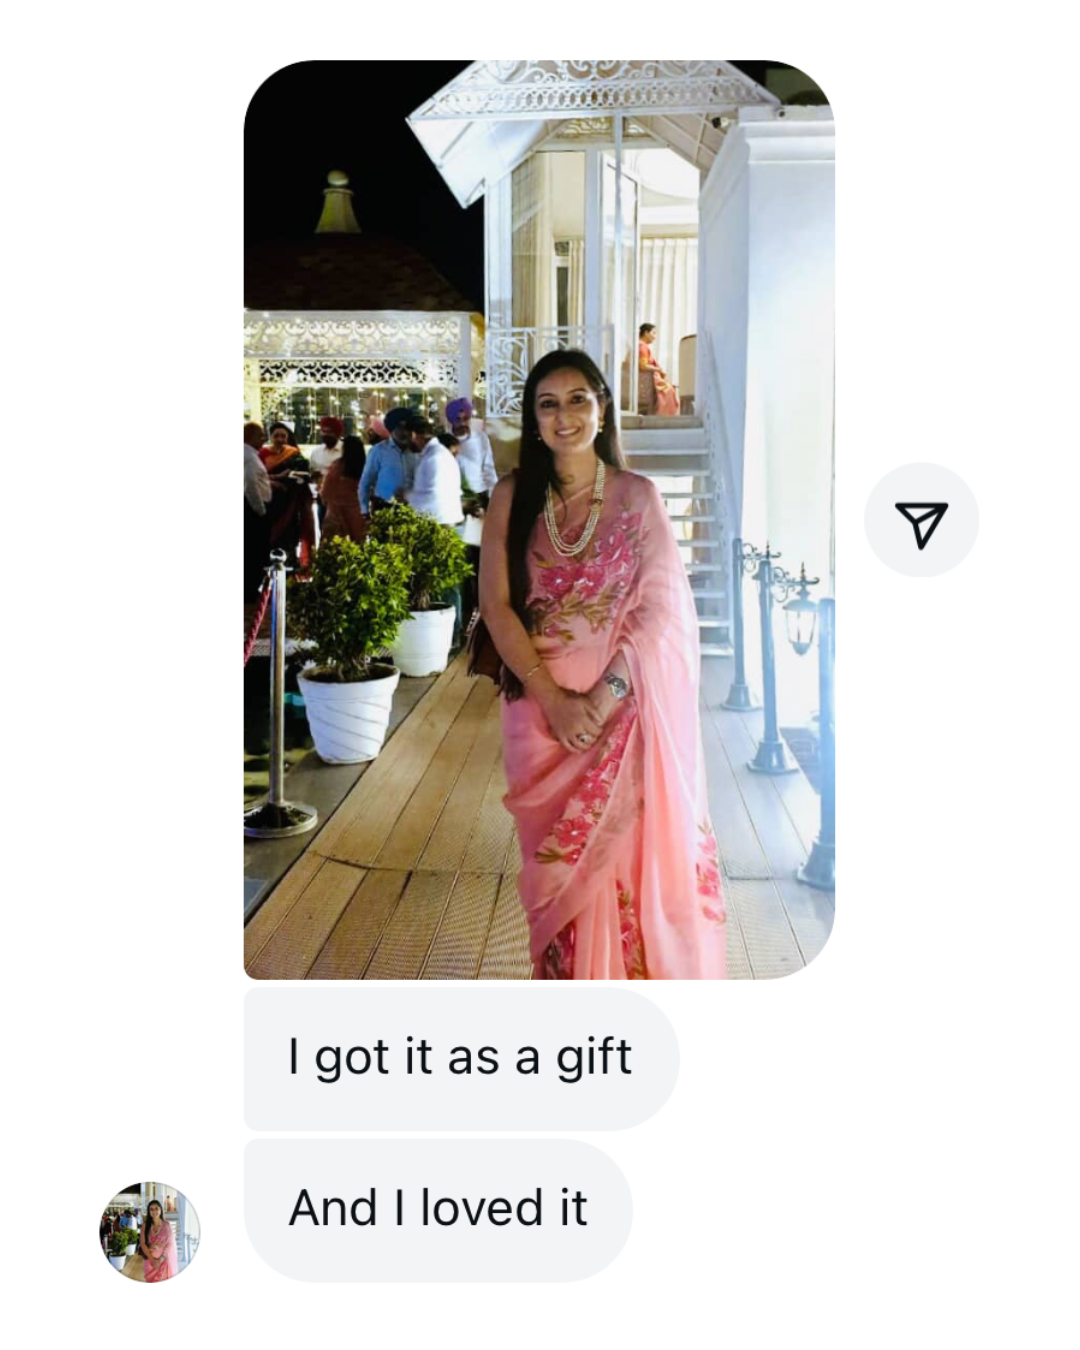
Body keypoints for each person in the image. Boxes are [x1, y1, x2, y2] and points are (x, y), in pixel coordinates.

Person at [478, 349, 726, 980]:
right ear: (533, 419)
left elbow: (663, 610)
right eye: (548, 404)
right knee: (556, 880)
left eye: (578, 400)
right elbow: (497, 608)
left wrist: (601, 698)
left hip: (622, 717)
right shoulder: (512, 496)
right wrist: (554, 701)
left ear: (602, 406)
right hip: (538, 722)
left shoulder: (637, 497)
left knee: (626, 872)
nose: (564, 417)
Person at [261, 422, 315, 568]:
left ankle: (290, 568)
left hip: (290, 504)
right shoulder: (262, 454)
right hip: (268, 503)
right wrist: (277, 477)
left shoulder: (293, 454)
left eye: (283, 436)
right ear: (270, 437)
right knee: (268, 537)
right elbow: (256, 477)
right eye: (276, 436)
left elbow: (304, 472)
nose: (280, 439)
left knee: (289, 537)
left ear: (287, 437)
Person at [359, 407, 416, 513]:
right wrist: (364, 511)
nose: (405, 433)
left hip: (413, 509)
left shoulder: (417, 452)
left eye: (408, 428)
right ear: (391, 430)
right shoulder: (378, 451)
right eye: (400, 428)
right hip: (384, 509)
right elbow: (365, 482)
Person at [446, 397, 497, 503]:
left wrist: (494, 494)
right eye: (458, 419)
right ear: (452, 420)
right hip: (454, 496)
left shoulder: (481, 437)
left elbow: (489, 467)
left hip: (480, 493)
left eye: (465, 418)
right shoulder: (443, 441)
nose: (463, 423)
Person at [319, 434, 367, 544]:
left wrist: (325, 500)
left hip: (335, 512)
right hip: (357, 512)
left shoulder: (337, 466)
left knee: (334, 546)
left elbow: (326, 490)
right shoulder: (365, 468)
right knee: (358, 544)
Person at [244, 421, 272, 600]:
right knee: (254, 550)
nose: (264, 439)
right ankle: (250, 591)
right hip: (253, 510)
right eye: (260, 435)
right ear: (251, 436)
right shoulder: (248, 456)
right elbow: (251, 485)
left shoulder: (251, 455)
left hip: (253, 508)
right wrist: (260, 510)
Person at [310, 416, 344, 530]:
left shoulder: (346, 451)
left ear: (337, 434)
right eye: (323, 431)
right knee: (324, 528)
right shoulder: (316, 452)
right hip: (323, 499)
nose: (325, 435)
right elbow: (313, 474)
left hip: (341, 499)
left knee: (342, 531)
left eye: (329, 432)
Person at [637, 323, 680, 416]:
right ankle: (664, 415)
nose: (655, 337)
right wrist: (658, 369)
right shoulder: (642, 347)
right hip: (647, 381)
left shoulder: (640, 346)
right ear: (646, 333)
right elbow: (643, 366)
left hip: (648, 379)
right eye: (653, 333)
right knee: (669, 390)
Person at [139, 1199, 178, 1283]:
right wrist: (152, 1259)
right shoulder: (145, 1225)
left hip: (164, 1261)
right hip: (149, 1262)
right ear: (149, 1211)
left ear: (160, 1210)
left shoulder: (166, 1225)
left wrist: (161, 1260)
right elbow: (142, 1243)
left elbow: (170, 1243)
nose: (154, 1211)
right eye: (151, 1209)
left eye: (157, 1208)